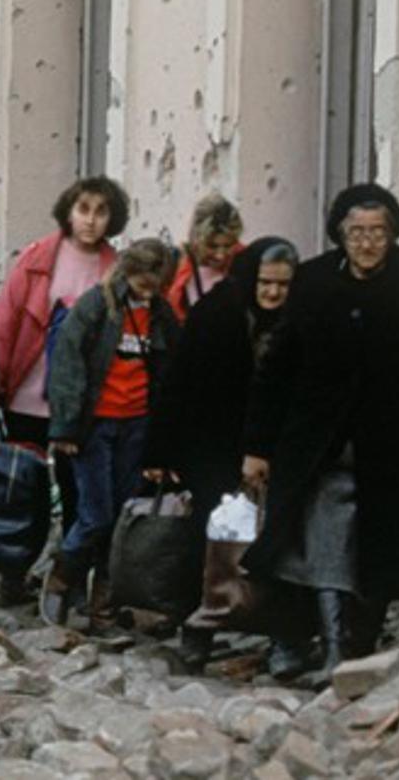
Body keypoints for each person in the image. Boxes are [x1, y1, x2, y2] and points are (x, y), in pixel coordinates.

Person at [242, 185, 399, 681]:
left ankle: (356, 645)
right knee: (319, 538)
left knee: (380, 547)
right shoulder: (314, 282)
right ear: (340, 234)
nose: (366, 244)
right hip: (319, 439)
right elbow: (277, 367)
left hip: (395, 441)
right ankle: (321, 645)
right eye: (356, 233)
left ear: (393, 234)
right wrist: (256, 446)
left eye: (377, 233)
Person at [142, 237, 299, 666]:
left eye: (283, 285)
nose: (273, 293)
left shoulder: (298, 321)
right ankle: (200, 627)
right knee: (211, 537)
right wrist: (159, 453)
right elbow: (180, 382)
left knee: (276, 543)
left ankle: (279, 633)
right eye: (266, 283)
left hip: (274, 449)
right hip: (211, 443)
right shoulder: (218, 314)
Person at [0, 176, 130, 602]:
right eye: (83, 209)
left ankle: (70, 580)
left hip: (85, 402)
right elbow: (5, 320)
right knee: (24, 489)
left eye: (101, 211)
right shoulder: (38, 257)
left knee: (78, 491)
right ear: (69, 211)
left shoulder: (117, 269)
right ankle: (13, 571)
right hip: (28, 391)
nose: (90, 220)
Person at [41, 239, 179, 633]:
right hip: (95, 426)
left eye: (156, 281)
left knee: (122, 520)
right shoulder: (96, 306)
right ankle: (62, 576)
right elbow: (67, 365)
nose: (148, 288)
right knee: (95, 515)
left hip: (136, 425)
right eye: (143, 279)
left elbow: (169, 373)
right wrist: (65, 426)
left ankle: (104, 601)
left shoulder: (161, 315)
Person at [166, 192, 245, 323]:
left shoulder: (247, 263)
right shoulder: (173, 265)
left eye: (228, 245)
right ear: (196, 239)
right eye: (212, 246)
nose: (220, 255)